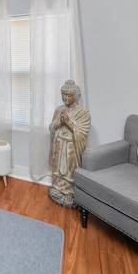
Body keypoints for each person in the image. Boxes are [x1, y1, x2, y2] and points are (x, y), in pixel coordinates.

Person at [48, 80, 91, 208]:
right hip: (59, 143)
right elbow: (51, 127)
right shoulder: (59, 110)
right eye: (63, 95)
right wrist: (59, 124)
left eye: (68, 95)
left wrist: (69, 123)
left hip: (72, 146)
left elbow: (82, 133)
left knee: (69, 168)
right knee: (58, 167)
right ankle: (57, 187)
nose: (65, 98)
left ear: (76, 96)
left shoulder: (83, 113)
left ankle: (69, 191)